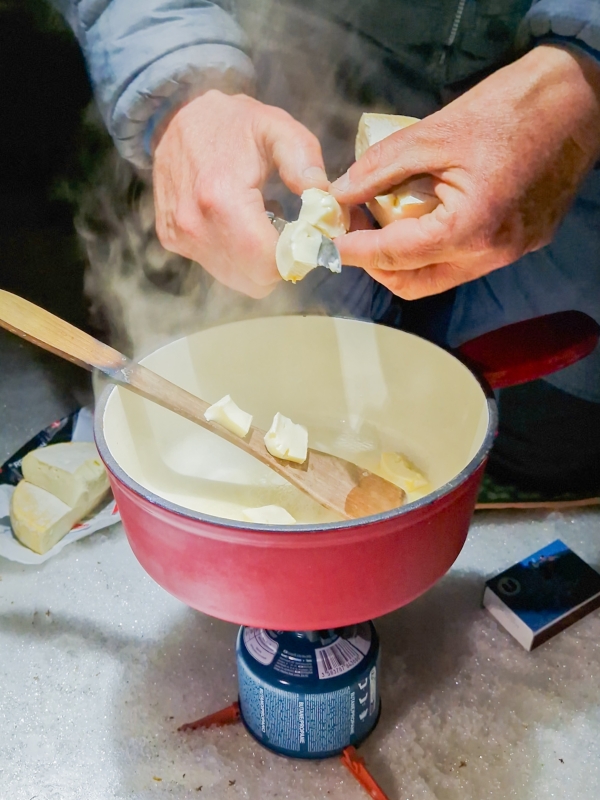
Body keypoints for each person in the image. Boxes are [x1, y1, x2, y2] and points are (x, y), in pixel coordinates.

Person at [49, 0, 600, 492]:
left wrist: (578, 82)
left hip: (565, 136)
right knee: (295, 381)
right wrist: (179, 84)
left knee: (547, 444)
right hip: (300, 78)